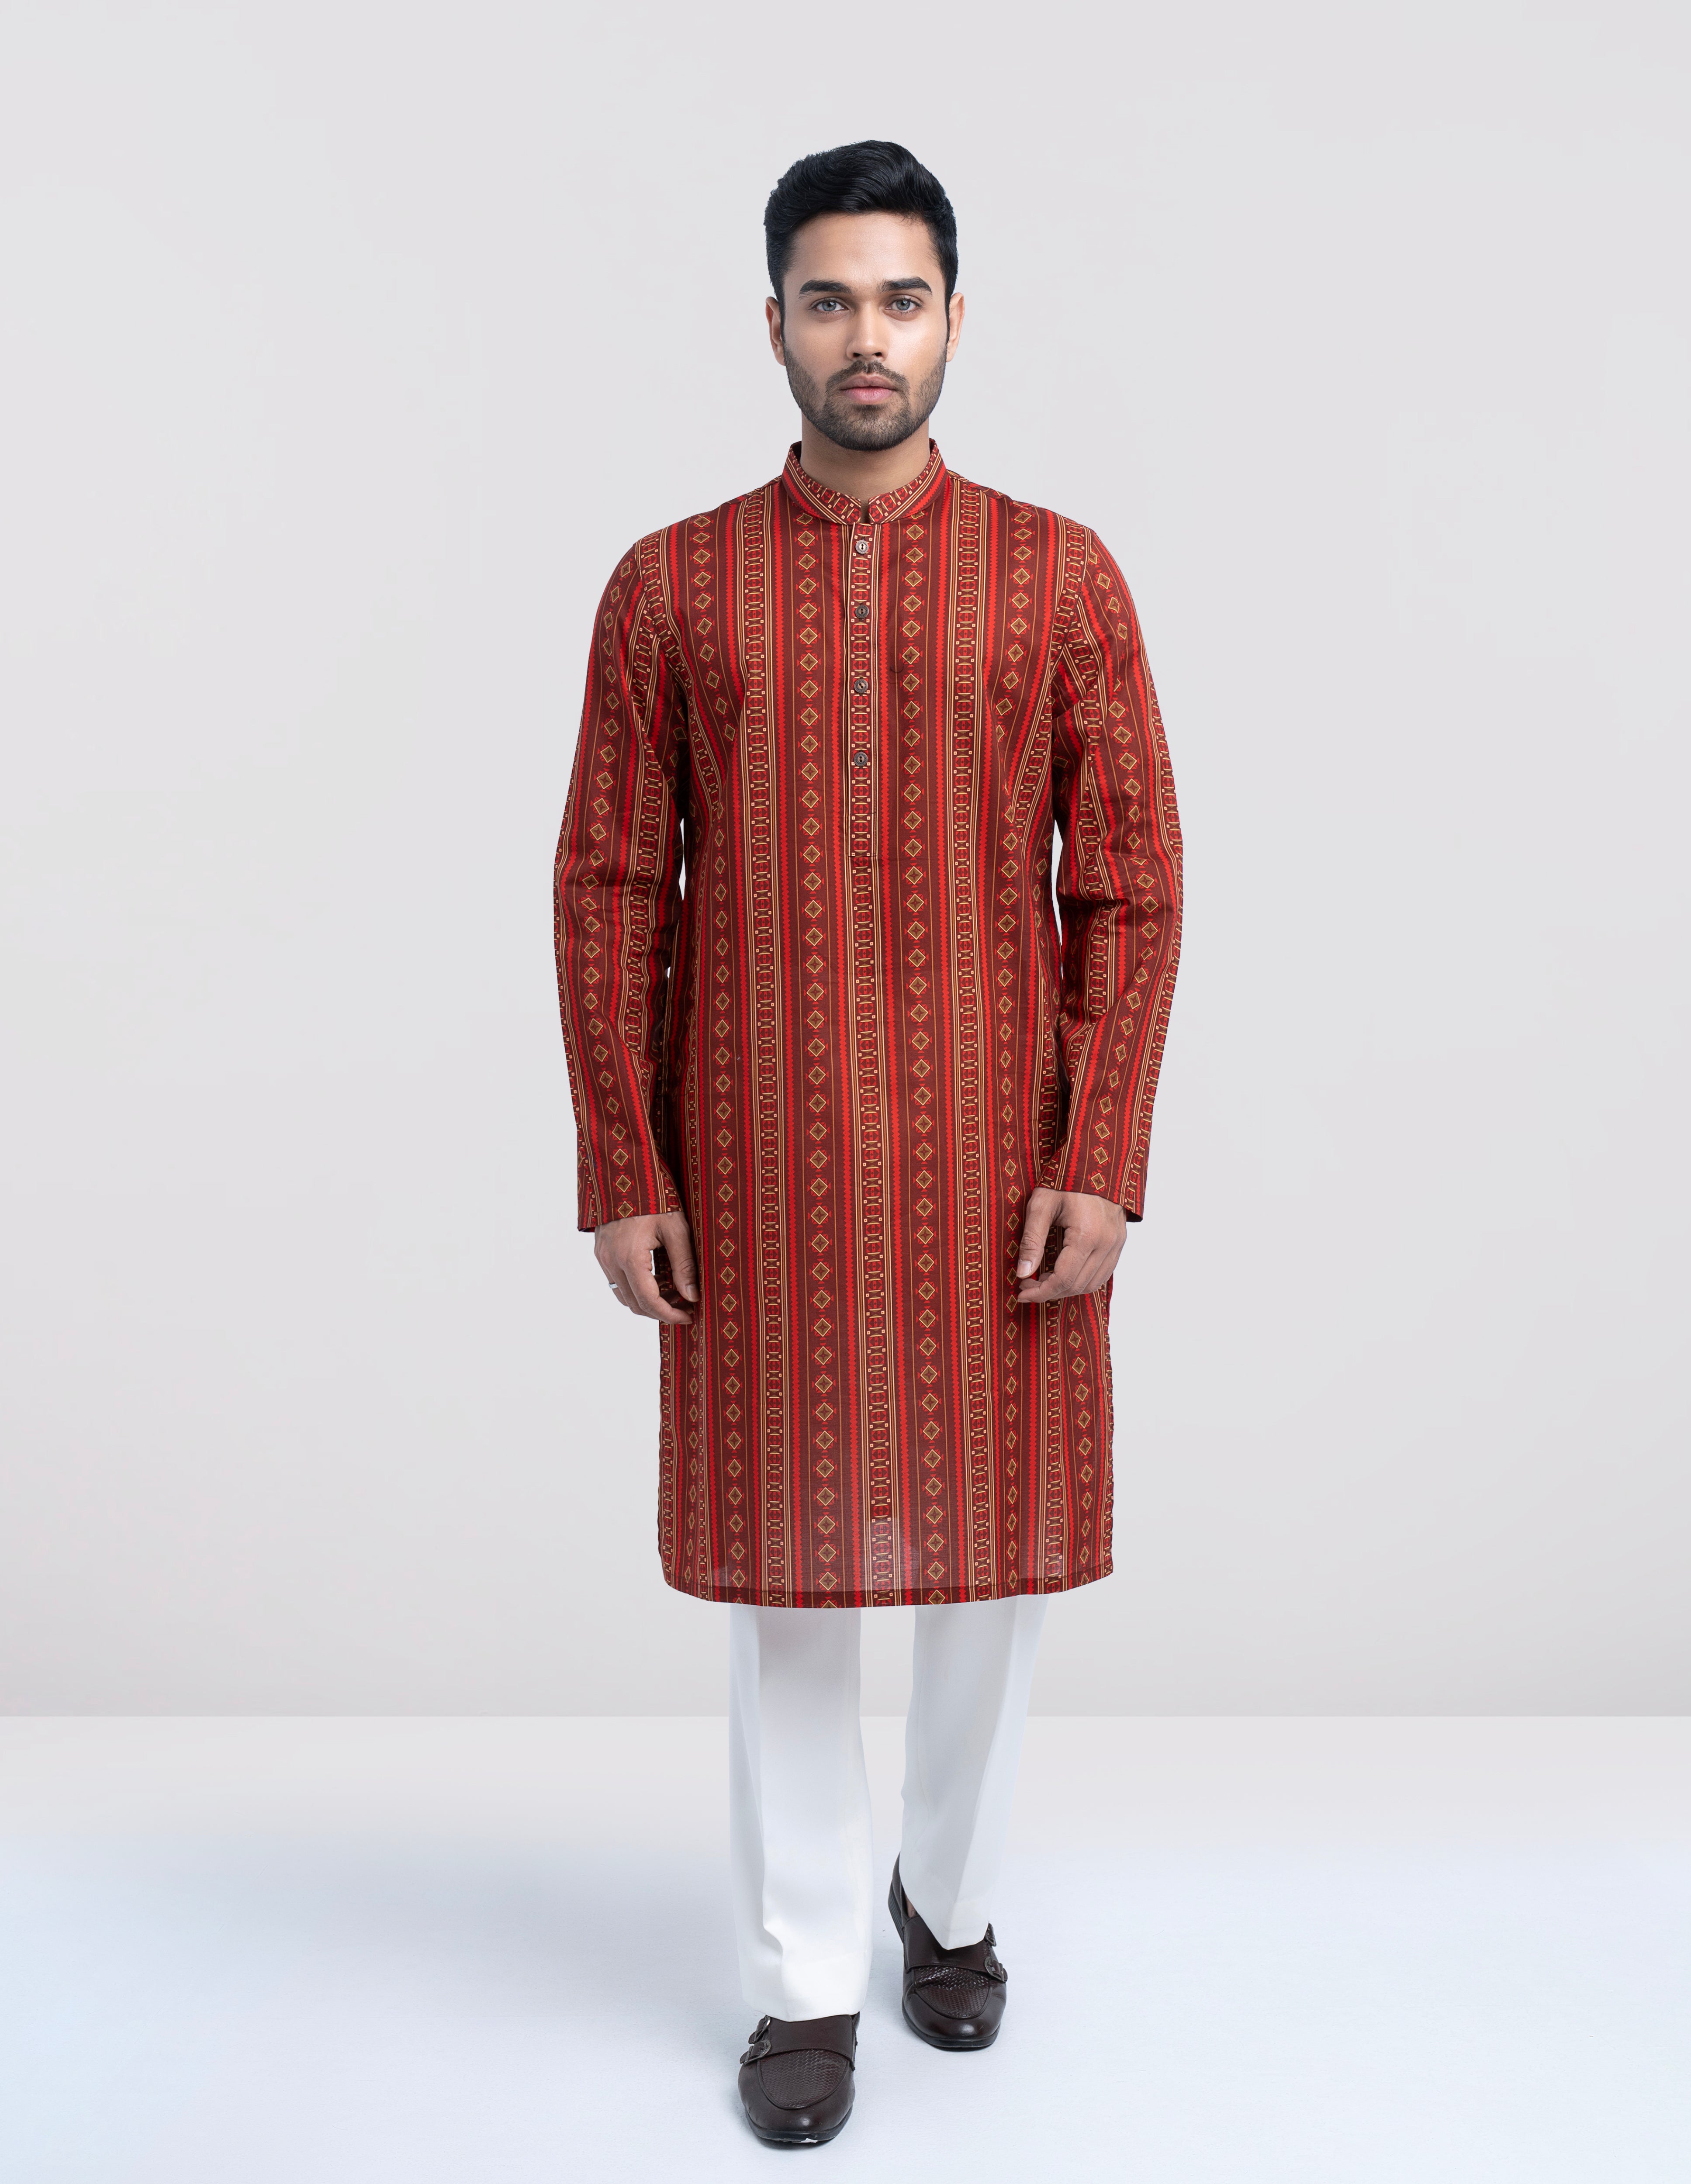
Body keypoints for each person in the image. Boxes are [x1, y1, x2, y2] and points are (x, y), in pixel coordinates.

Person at [554, 140, 1183, 2148]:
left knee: (988, 1578)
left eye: (899, 299)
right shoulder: (670, 583)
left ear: (954, 322)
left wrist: (1102, 1147)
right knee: (794, 1587)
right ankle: (802, 1974)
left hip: (1005, 1163)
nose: (865, 336)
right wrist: (624, 1160)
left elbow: (1130, 882)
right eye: (827, 299)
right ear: (773, 325)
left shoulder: (1059, 572)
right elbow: (609, 887)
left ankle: (950, 1900)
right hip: (754, 1158)